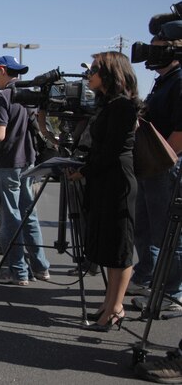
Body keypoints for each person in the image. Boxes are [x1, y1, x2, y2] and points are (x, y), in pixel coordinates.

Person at [67, 51, 141, 331]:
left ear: (110, 74)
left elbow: (111, 150)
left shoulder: (122, 106)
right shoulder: (110, 105)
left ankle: (115, 308)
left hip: (117, 182)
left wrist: (83, 171)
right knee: (109, 247)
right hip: (104, 180)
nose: (89, 75)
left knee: (120, 248)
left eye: (95, 70)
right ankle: (109, 304)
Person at [0, 55, 50, 286]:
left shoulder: (4, 98)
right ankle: (41, 267)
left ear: (1, 70)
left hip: (8, 163)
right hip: (28, 162)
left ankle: (18, 271)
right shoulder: (29, 96)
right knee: (29, 215)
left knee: (10, 218)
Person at [128, 34, 182, 313]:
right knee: (145, 228)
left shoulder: (180, 80)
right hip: (150, 167)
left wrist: (163, 160)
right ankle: (146, 275)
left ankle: (172, 293)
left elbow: (179, 132)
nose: (151, 53)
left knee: (167, 233)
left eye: (158, 48)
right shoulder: (164, 80)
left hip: (165, 167)